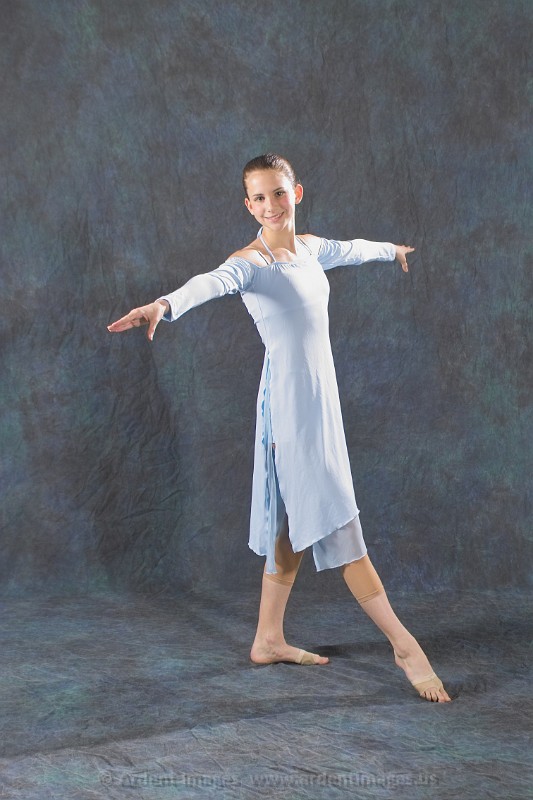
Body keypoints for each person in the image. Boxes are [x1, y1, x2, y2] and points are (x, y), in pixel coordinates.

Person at [108, 153, 451, 703]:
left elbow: (350, 250)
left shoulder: (310, 249)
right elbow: (209, 283)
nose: (270, 205)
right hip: (290, 410)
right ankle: (404, 645)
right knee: (338, 518)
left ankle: (267, 638)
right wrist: (163, 305)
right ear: (248, 206)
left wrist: (391, 250)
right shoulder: (250, 263)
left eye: (278, 193)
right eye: (259, 198)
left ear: (297, 193)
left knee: (292, 522)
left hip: (321, 403)